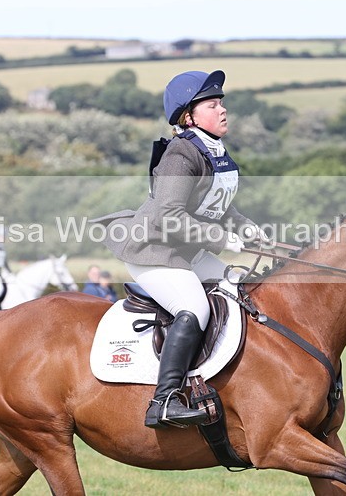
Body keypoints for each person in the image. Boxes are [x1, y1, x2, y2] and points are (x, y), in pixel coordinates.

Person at [93, 70, 268, 428]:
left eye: (222, 103)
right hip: (153, 250)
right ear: (188, 115)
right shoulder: (181, 153)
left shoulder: (213, 151)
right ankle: (164, 401)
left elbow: (215, 203)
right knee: (194, 308)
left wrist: (245, 226)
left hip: (186, 251)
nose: (223, 110)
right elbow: (167, 216)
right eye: (212, 104)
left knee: (241, 287)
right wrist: (221, 239)